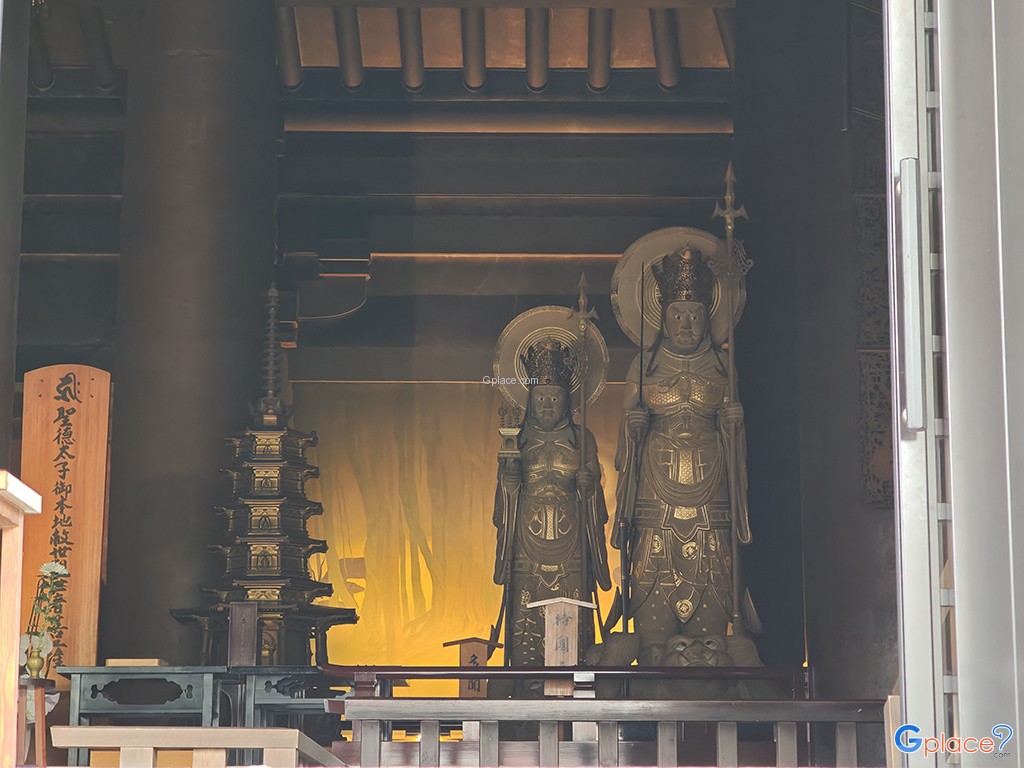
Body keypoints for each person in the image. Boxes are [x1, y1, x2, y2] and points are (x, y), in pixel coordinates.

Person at [613, 248, 751, 664]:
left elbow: (734, 434)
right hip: (656, 495)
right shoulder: (643, 366)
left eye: (694, 314)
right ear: (662, 316)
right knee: (653, 616)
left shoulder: (723, 365)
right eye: (678, 314)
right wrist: (633, 428)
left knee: (712, 624)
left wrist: (733, 425)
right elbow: (626, 437)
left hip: (711, 495)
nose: (686, 324)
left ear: (708, 316)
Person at [493, 337, 611, 668]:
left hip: (571, 545)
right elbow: (503, 499)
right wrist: (510, 481)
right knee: (525, 624)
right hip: (526, 546)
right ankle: (525, 687)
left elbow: (595, 502)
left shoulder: (582, 439)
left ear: (567, 400)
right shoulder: (517, 438)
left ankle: (574, 684)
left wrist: (588, 487)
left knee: (571, 628)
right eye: (541, 397)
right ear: (530, 400)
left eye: (555, 398)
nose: (547, 405)